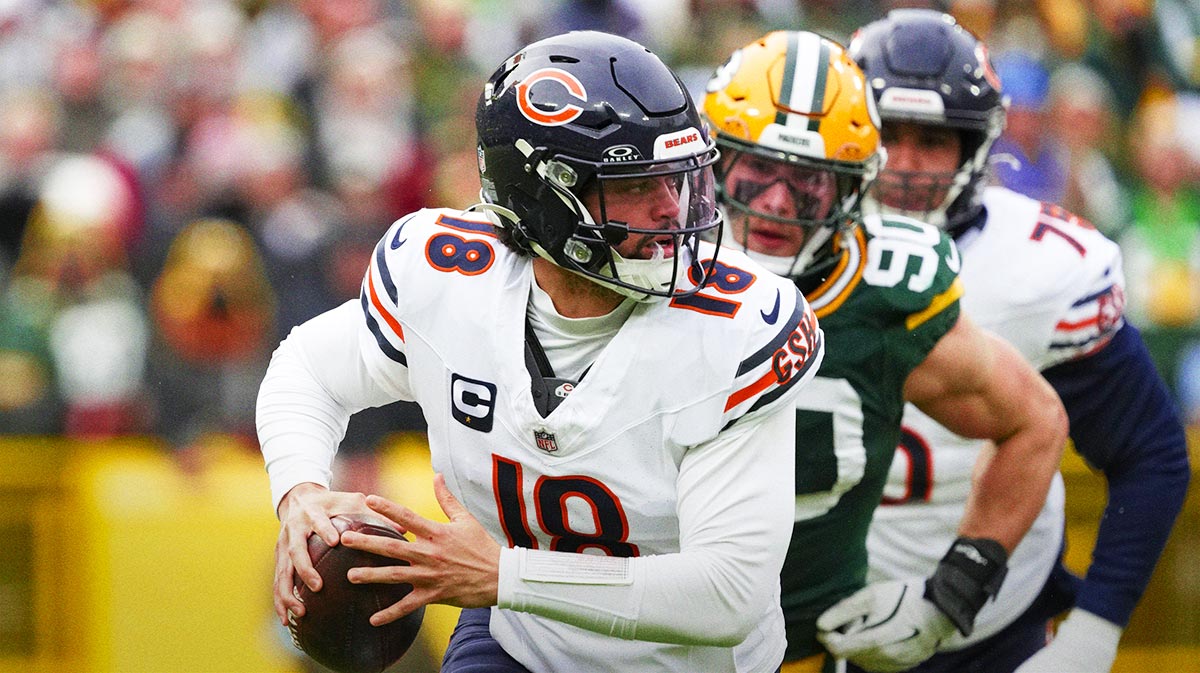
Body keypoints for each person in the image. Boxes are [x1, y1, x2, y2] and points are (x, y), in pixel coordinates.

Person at [257, 30, 825, 673]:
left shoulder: (739, 326)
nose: (673, 209)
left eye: (678, 177)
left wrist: (506, 574)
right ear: (545, 198)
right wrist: (300, 493)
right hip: (518, 643)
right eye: (637, 184)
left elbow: (730, 597)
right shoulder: (447, 276)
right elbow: (306, 369)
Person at [703, 30, 1068, 673]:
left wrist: (952, 595)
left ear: (853, 187)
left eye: (810, 178)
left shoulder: (886, 294)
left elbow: (1035, 420)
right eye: (758, 167)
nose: (778, 202)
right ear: (714, 161)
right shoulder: (648, 270)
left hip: (807, 652)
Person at [846, 9, 1192, 673]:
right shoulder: (789, 256)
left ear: (974, 146)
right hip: (817, 622)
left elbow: (1150, 452)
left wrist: (1094, 631)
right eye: (888, 136)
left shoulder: (1042, 267)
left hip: (995, 628)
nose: (908, 166)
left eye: (934, 140)